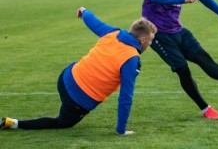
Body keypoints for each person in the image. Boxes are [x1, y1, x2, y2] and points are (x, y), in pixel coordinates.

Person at [0, 7, 157, 134]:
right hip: (78, 100)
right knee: (61, 123)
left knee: (88, 61)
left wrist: (84, 12)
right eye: (149, 41)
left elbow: (94, 22)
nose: (149, 45)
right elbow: (125, 97)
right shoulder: (132, 59)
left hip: (65, 78)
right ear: (142, 40)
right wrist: (121, 130)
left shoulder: (113, 33)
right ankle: (13, 123)